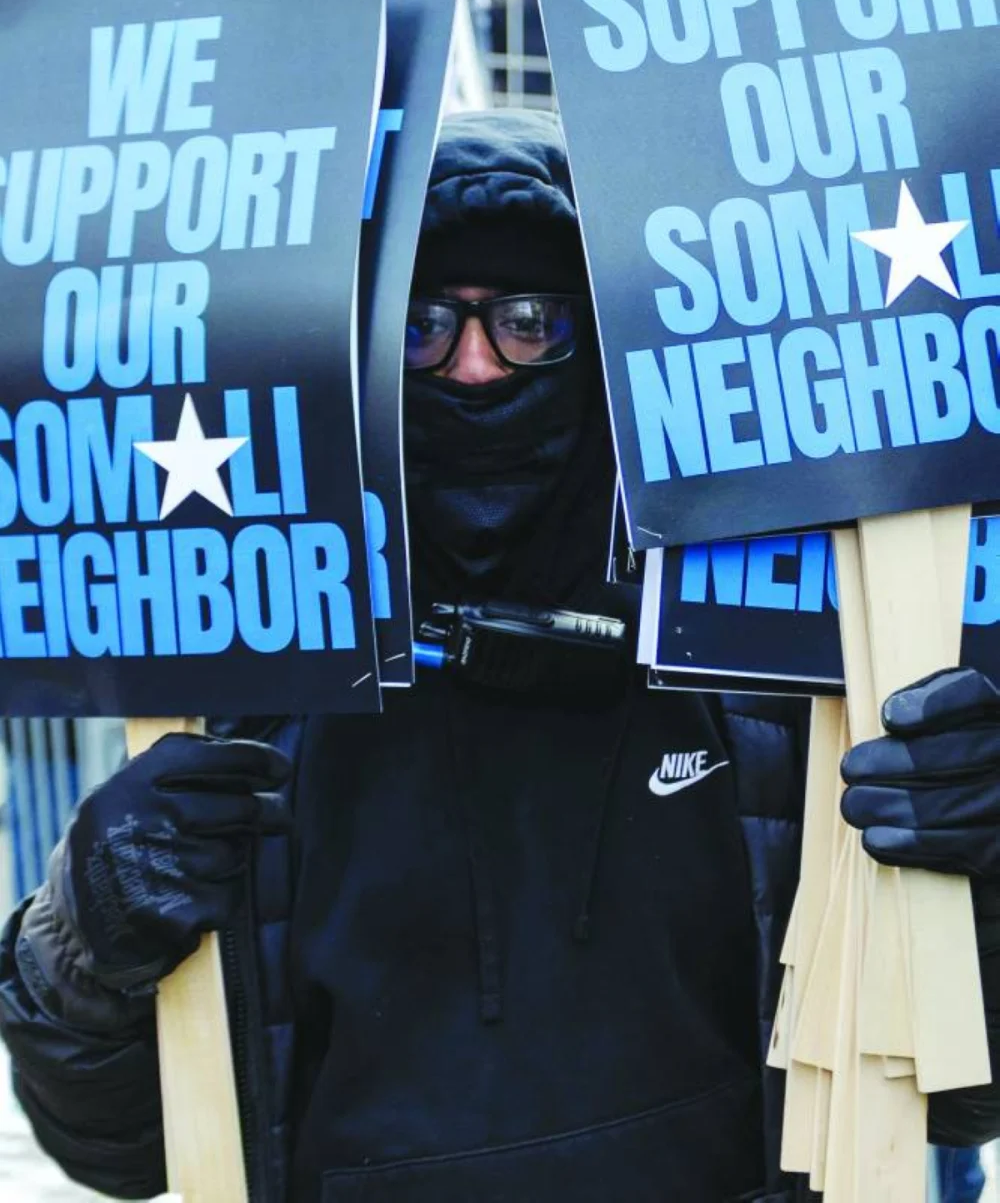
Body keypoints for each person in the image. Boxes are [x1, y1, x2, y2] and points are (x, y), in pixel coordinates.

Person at [0, 109, 998, 1203]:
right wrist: (86, 940)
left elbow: (954, 1100)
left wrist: (979, 876)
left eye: (530, 322)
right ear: (365, 348)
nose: (474, 368)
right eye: (424, 323)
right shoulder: (250, 699)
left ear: (604, 345)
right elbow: (115, 1152)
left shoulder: (768, 674)